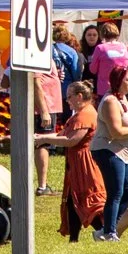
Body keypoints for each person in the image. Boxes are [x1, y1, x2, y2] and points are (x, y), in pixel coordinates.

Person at [43, 83, 105, 242]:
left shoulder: (85, 114)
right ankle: (74, 239)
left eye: (69, 96)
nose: (67, 100)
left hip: (85, 165)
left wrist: (43, 138)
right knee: (73, 200)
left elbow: (71, 140)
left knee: (90, 201)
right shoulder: (79, 114)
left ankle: (104, 232)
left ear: (79, 96)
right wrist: (41, 137)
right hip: (76, 164)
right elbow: (62, 135)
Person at [89, 75, 128, 241]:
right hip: (107, 150)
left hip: (122, 151)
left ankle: (106, 228)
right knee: (116, 192)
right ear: (118, 81)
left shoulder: (123, 99)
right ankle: (109, 233)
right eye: (127, 79)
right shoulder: (110, 101)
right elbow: (116, 132)